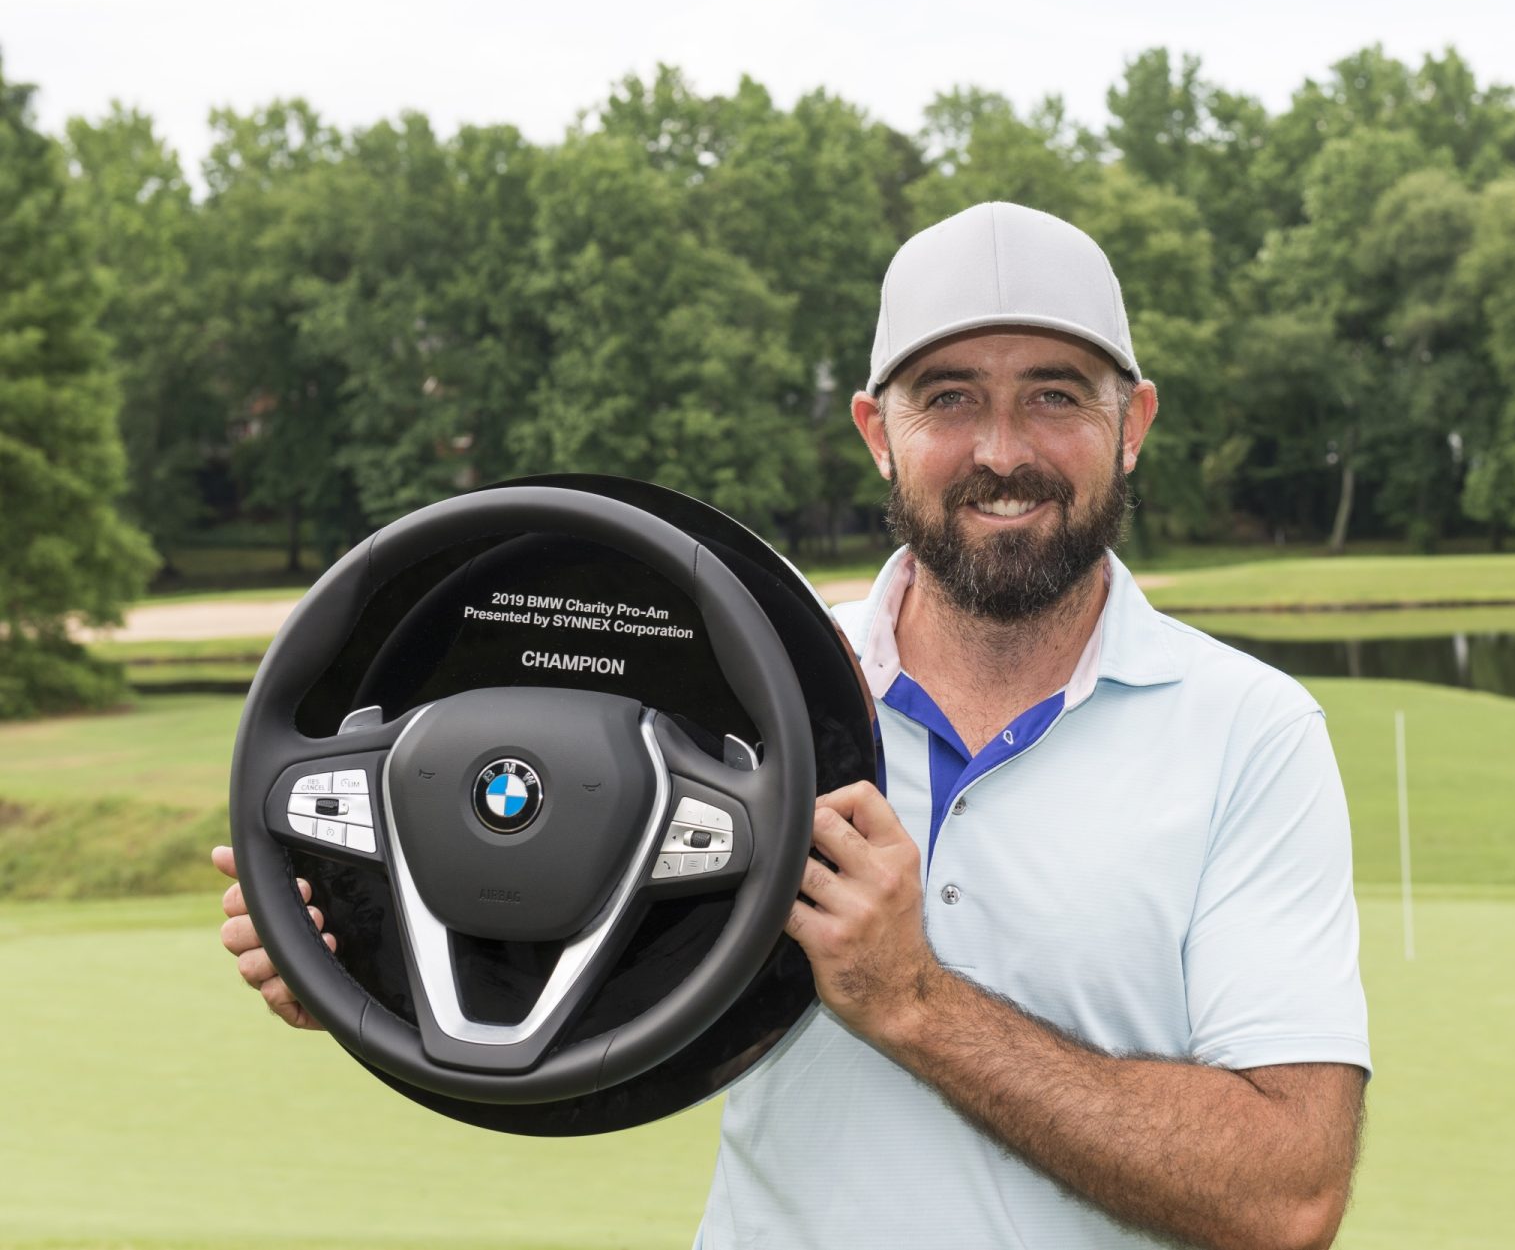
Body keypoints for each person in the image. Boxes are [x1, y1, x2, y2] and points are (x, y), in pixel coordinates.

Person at [215, 201, 1371, 1250]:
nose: (1003, 450)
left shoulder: (1250, 733)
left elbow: (1285, 1196)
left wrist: (915, 1003)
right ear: (878, 428)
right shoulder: (732, 684)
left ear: (1135, 423)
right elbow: (565, 929)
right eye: (950, 397)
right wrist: (361, 950)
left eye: (1056, 395)